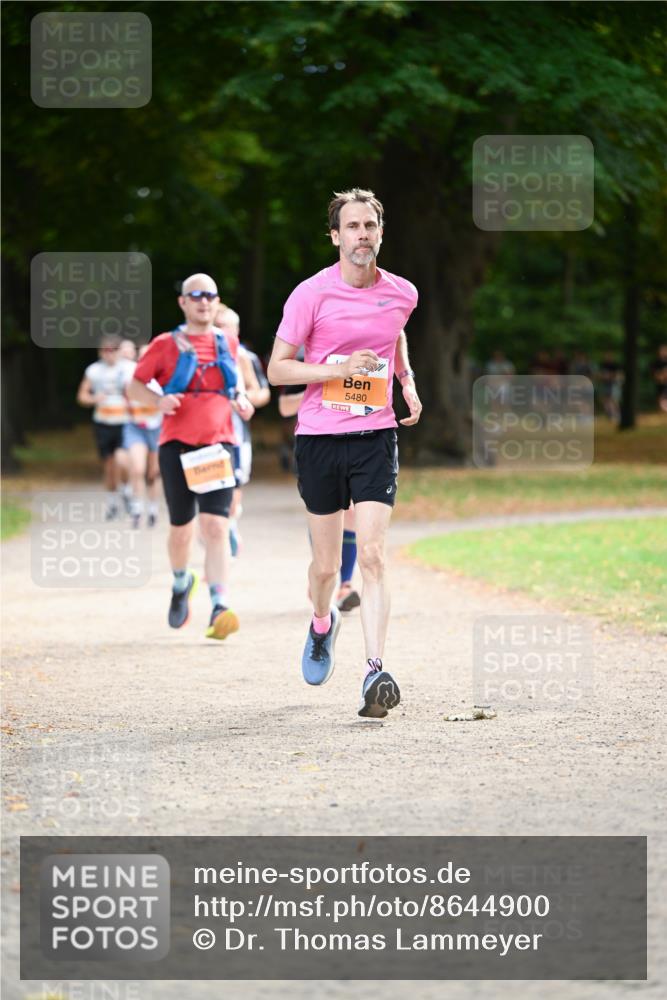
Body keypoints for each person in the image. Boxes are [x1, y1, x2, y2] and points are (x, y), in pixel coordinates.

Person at [267, 188, 422, 718]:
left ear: (381, 232)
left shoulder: (402, 292)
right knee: (326, 567)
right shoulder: (310, 294)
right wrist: (336, 369)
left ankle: (375, 672)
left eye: (370, 226)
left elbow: (394, 334)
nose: (362, 235)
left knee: (373, 554)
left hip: (375, 436)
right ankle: (321, 622)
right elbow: (278, 369)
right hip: (319, 439)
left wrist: (406, 381)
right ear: (335, 236)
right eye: (352, 226)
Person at [128, 273, 254, 640]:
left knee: (215, 526)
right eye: (195, 296)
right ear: (183, 302)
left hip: (218, 446)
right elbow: (134, 386)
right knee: (181, 531)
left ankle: (220, 605)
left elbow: (237, 386)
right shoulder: (165, 344)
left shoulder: (227, 342)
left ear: (217, 302)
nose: (203, 302)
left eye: (210, 296)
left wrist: (242, 400)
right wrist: (158, 400)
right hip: (177, 447)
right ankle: (182, 581)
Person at [215, 307, 271, 556]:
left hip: (236, 435)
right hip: (206, 435)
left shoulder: (245, 358)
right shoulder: (197, 355)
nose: (222, 331)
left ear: (236, 330)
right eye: (218, 326)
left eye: (227, 326)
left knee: (234, 486)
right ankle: (217, 531)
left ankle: (229, 525)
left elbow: (263, 393)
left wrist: (242, 398)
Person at [76, 334, 134, 520]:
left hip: (125, 423)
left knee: (123, 462)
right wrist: (94, 398)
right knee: (109, 466)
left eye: (113, 350)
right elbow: (82, 396)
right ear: (100, 352)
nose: (109, 354)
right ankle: (112, 502)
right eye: (105, 350)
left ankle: (126, 491)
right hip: (103, 423)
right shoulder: (93, 370)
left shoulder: (130, 368)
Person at [123, 344, 162, 529]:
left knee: (153, 473)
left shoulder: (163, 376)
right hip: (135, 426)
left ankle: (153, 509)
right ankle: (137, 509)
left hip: (158, 428)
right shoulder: (130, 375)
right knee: (137, 469)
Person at [598, 351, 624, 423]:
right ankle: (611, 415)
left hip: (614, 384)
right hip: (605, 384)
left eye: (608, 356)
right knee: (605, 401)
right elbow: (599, 375)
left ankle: (618, 415)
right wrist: (603, 377)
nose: (606, 357)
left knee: (613, 400)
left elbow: (619, 375)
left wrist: (609, 376)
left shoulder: (615, 365)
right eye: (605, 356)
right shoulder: (603, 365)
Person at [650, 344, 667, 414]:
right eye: (661, 351)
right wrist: (660, 376)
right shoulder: (656, 363)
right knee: (661, 401)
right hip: (660, 384)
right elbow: (654, 374)